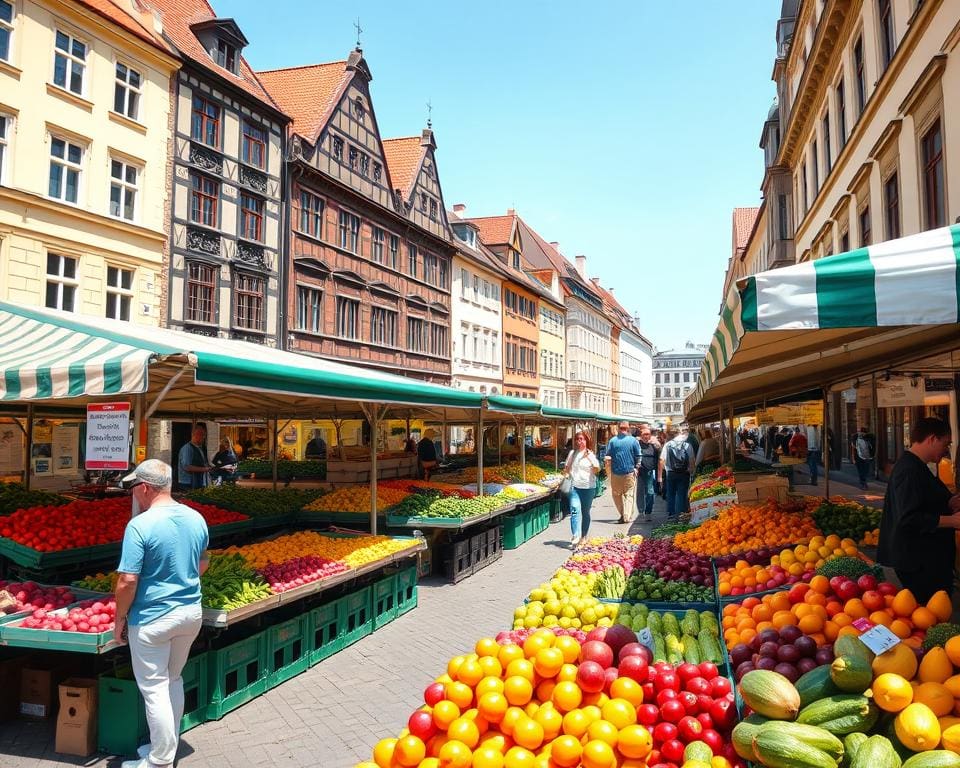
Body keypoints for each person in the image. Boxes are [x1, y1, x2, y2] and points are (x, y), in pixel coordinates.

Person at [114, 459, 209, 768]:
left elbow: (128, 580)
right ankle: (164, 747)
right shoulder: (196, 518)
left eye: (133, 488)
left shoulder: (140, 525)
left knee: (154, 688)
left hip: (152, 618)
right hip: (190, 613)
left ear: (144, 488)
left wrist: (119, 619)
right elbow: (203, 564)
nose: (133, 494)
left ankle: (159, 760)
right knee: (173, 679)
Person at [878, 417, 960, 603]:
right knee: (930, 612)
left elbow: (923, 501)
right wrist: (952, 521)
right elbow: (909, 518)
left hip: (925, 558)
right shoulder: (909, 470)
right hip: (918, 561)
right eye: (945, 443)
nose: (946, 449)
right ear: (932, 439)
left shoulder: (918, 467)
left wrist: (950, 502)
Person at [563, 430, 600, 547]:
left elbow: (597, 470)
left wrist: (589, 458)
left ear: (586, 441)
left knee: (585, 512)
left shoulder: (591, 454)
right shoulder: (572, 453)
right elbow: (567, 468)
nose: (579, 442)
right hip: (575, 486)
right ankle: (575, 535)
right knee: (574, 510)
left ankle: (584, 536)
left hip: (588, 487)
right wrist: (566, 472)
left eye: (582, 439)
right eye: (578, 439)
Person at [604, 421, 641, 524]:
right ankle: (626, 515)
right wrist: (637, 467)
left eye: (623, 428)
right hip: (629, 472)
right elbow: (638, 456)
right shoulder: (633, 441)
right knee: (629, 495)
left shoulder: (612, 441)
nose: (624, 430)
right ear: (628, 428)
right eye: (623, 428)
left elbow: (607, 456)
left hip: (617, 472)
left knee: (617, 495)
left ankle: (623, 514)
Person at [659, 427, 695, 519]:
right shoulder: (687, 445)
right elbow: (691, 460)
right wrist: (691, 471)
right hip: (684, 473)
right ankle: (680, 513)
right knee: (681, 493)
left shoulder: (668, 445)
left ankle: (671, 513)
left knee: (671, 493)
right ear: (680, 433)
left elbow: (661, 460)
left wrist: (661, 474)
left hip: (671, 473)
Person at [636, 426, 660, 517]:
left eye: (648, 434)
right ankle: (641, 511)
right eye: (644, 434)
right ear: (641, 435)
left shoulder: (654, 446)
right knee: (640, 492)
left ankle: (648, 510)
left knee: (650, 492)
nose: (646, 436)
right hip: (640, 472)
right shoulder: (637, 444)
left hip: (650, 472)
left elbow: (658, 459)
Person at [176, 424, 209, 492]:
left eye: (204, 435)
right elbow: (186, 467)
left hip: (196, 482)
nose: (203, 438)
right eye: (202, 435)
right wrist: (205, 469)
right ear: (194, 435)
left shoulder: (200, 448)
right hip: (188, 483)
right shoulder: (187, 448)